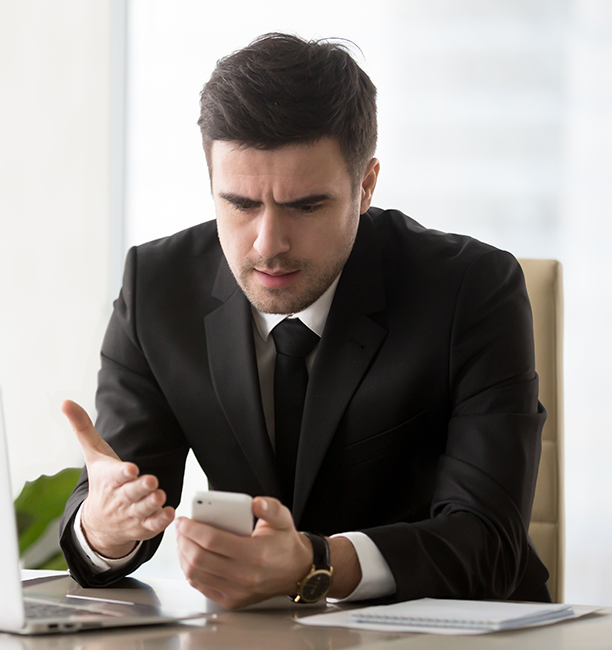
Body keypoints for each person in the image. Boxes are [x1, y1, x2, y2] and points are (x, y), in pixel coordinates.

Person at [57, 33, 550, 608]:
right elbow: (126, 499)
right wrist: (105, 528)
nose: (268, 245)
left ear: (365, 186)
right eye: (240, 204)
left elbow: (488, 543)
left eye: (306, 206)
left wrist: (317, 565)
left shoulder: (473, 289)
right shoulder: (157, 287)